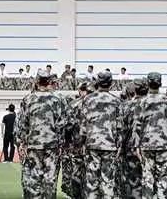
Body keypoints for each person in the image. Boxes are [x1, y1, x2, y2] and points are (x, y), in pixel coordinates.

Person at [17, 69, 66, 199]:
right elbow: (62, 124)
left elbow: (23, 123)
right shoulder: (57, 99)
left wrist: (23, 143)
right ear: (49, 81)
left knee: (33, 180)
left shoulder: (28, 99)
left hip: (33, 145)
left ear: (37, 81)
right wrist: (61, 143)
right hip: (52, 145)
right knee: (50, 180)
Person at [78, 71, 121, 197]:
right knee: (108, 182)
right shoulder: (116, 101)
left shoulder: (88, 99)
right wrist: (119, 145)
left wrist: (82, 143)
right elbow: (120, 126)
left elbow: (83, 124)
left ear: (97, 82)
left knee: (92, 182)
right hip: (110, 144)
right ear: (111, 84)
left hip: (92, 144)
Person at [132, 71, 167, 197]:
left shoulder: (141, 102)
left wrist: (136, 145)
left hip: (146, 144)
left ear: (148, 84)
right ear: (160, 84)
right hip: (164, 144)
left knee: (148, 177)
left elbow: (137, 125)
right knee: (162, 178)